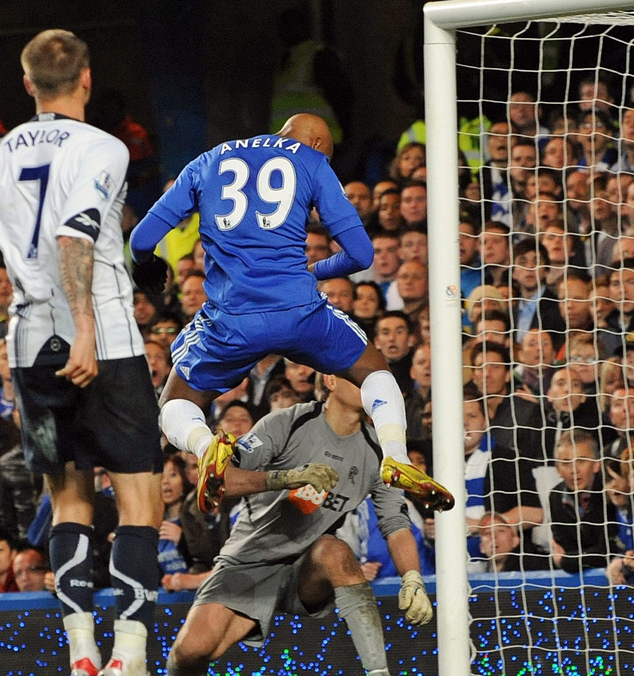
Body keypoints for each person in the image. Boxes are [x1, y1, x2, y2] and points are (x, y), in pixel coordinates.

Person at [128, 112, 453, 518]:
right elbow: (361, 254)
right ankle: (395, 455)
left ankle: (205, 444)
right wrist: (314, 271)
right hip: (300, 314)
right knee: (374, 369)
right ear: (317, 143)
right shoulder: (312, 161)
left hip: (232, 318)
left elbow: (141, 238)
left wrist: (147, 264)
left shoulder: (207, 161)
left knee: (176, 400)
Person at [0, 29, 167, 676]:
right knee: (141, 499)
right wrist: (86, 328)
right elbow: (75, 235)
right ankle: (128, 655)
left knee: (68, 500)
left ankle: (81, 652)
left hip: (30, 342)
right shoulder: (103, 147)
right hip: (107, 341)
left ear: (28, 83)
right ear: (86, 80)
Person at [163, 375, 433, 676]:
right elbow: (221, 479)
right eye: (360, 380)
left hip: (306, 568)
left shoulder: (379, 452)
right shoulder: (288, 423)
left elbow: (395, 523)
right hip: (249, 559)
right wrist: (284, 478)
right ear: (330, 381)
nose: (371, 389)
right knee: (190, 653)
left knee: (335, 550)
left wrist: (413, 579)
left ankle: (379, 672)